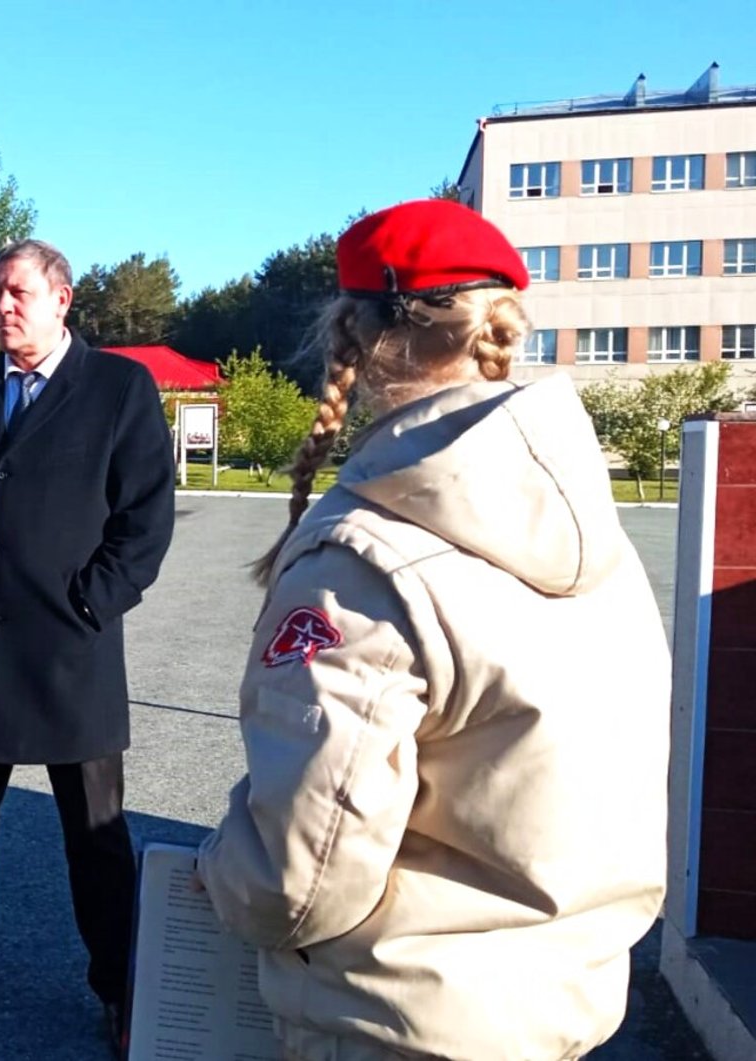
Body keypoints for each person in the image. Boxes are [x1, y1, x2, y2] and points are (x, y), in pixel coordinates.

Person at [195, 199, 668, 1060]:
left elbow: (298, 880)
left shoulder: (362, 563)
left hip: (396, 1026)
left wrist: (215, 868)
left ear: (352, 335)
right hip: (563, 1008)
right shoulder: (601, 540)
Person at [0, 239, 175, 1042]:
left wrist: (91, 606)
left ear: (63, 298)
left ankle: (118, 986)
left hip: (71, 656)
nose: (1, 307)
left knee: (94, 837)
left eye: (17, 292)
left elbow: (145, 520)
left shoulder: (119, 388)